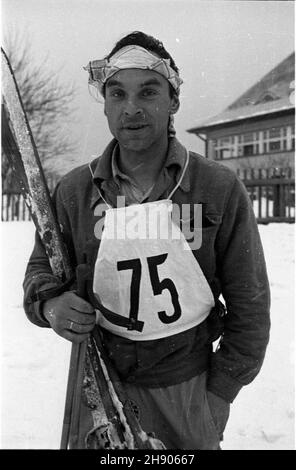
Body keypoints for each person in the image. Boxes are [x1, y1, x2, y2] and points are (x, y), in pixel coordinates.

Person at [23, 31, 270, 450]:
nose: (131, 109)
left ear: (173, 100)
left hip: (186, 388)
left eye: (148, 92)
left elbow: (251, 304)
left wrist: (220, 393)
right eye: (117, 94)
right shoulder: (74, 192)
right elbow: (39, 270)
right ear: (104, 104)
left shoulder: (216, 187)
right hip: (98, 387)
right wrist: (49, 304)